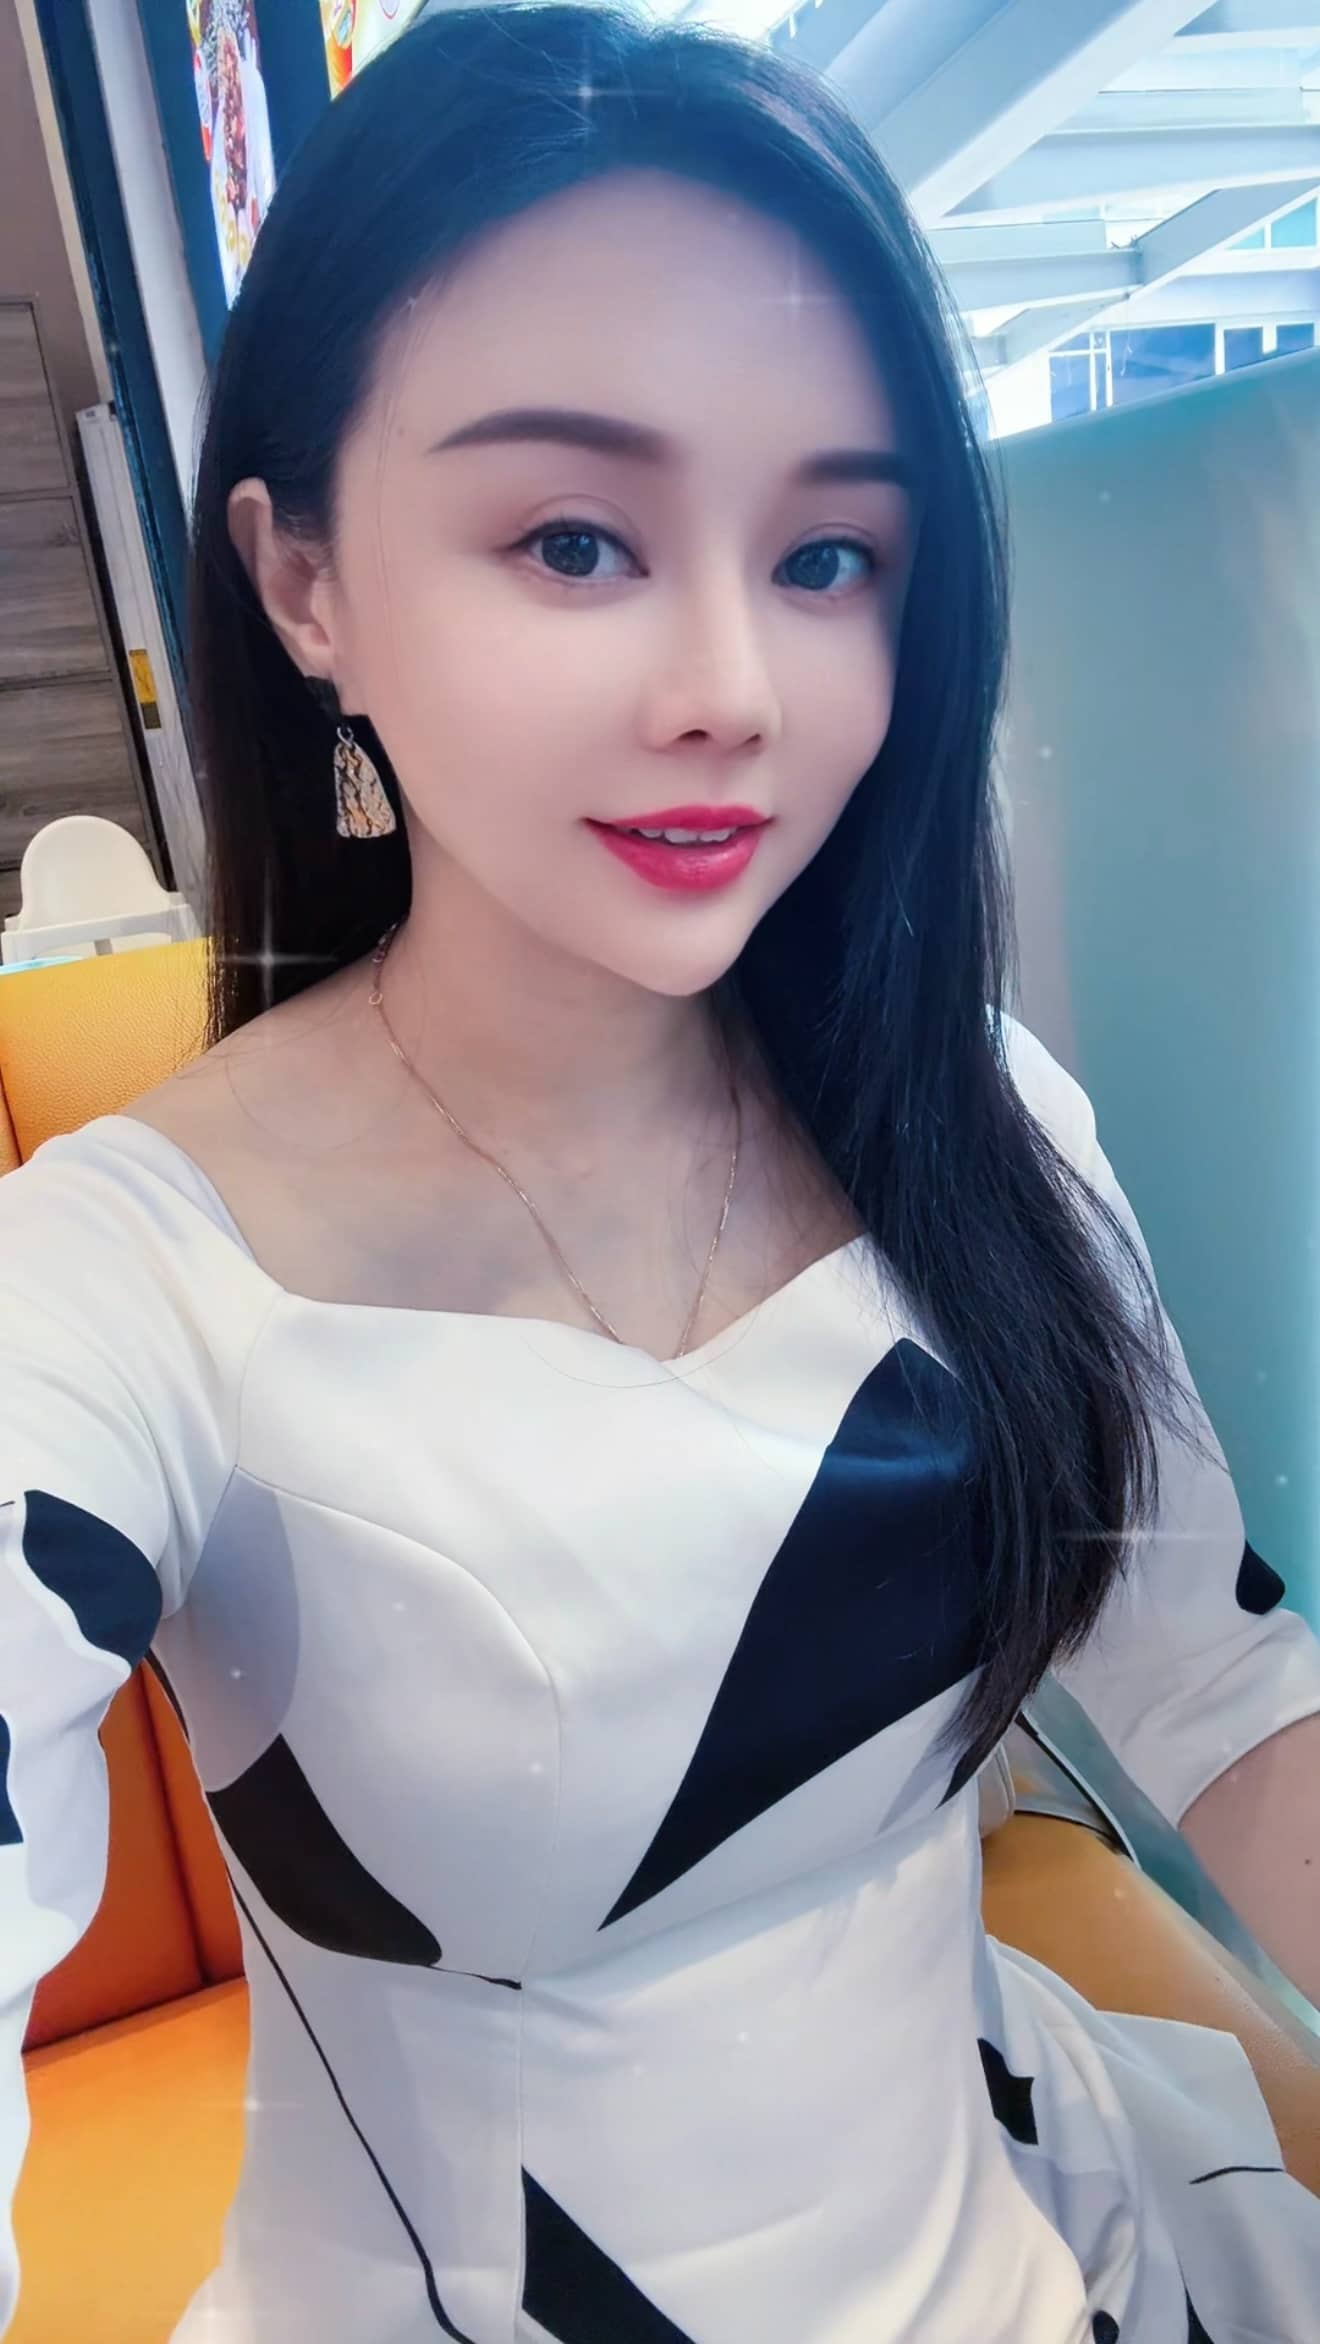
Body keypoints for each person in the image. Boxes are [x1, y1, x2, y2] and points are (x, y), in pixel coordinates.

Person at [2, 6, 1318, 2338]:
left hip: (1043, 2254)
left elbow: (1226, 1697)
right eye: (577, 536)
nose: (736, 684)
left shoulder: (979, 1118)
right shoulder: (114, 1291)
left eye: (829, 554)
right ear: (303, 581)